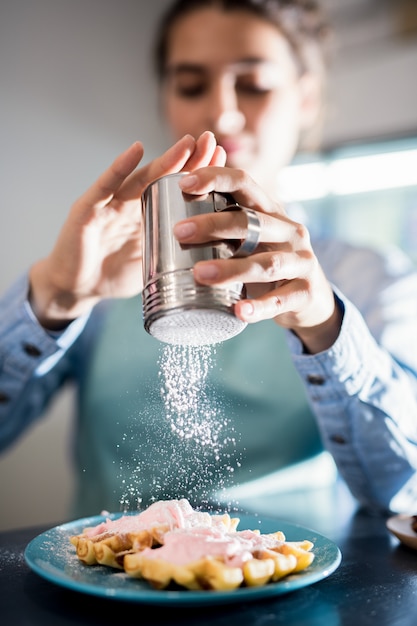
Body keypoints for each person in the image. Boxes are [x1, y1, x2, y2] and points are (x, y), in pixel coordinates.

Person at [1, 0, 417, 520]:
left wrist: (325, 327)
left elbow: (405, 491)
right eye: (192, 85)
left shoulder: (370, 277)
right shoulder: (107, 267)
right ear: (165, 100)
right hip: (110, 585)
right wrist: (57, 296)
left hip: (292, 586)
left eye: (255, 84)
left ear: (306, 98)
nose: (220, 113)